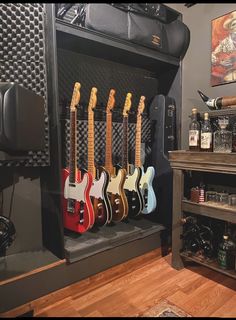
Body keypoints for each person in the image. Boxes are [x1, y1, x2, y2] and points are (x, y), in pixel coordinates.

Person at [211, 11, 236, 82]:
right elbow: (213, 57)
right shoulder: (225, 43)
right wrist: (220, 62)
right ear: (230, 28)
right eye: (234, 24)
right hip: (227, 75)